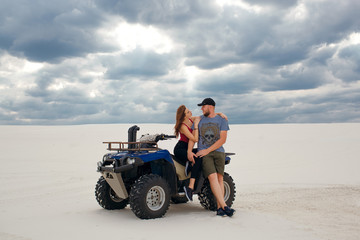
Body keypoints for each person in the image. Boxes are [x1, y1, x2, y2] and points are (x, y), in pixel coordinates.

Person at [187, 98, 235, 217]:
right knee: (212, 177)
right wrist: (189, 151)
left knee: (220, 179)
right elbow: (193, 136)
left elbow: (223, 139)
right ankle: (225, 206)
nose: (202, 108)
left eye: (203, 106)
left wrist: (219, 114)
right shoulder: (199, 119)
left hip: (218, 152)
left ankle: (219, 208)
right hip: (205, 154)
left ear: (210, 106)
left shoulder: (222, 120)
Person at [173, 105, 228, 201]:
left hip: (187, 148)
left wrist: (219, 114)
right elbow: (194, 138)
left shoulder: (191, 119)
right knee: (198, 158)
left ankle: (190, 184)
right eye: (187, 112)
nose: (190, 112)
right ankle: (190, 184)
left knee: (200, 155)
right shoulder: (182, 126)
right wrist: (196, 126)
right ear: (184, 116)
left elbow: (204, 116)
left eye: (189, 110)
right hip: (180, 149)